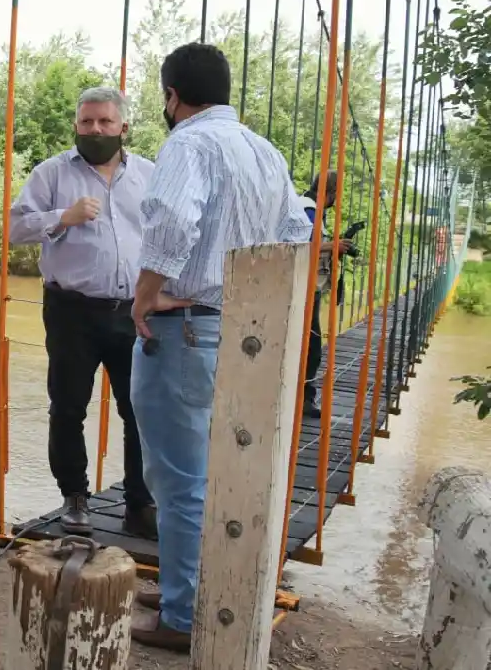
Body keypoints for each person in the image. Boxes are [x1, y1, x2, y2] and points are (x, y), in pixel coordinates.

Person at [129, 43, 312, 652]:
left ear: (172, 96)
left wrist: (145, 296)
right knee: (226, 473)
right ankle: (196, 590)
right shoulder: (264, 152)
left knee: (178, 479)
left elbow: (173, 221)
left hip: (187, 329)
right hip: (247, 335)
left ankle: (183, 615)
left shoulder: (188, 143)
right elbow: (297, 232)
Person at [9, 86, 158, 540]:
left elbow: (166, 236)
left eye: (105, 122)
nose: (95, 130)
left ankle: (140, 504)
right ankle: (74, 498)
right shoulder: (52, 173)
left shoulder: (149, 175)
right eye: (87, 122)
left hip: (134, 310)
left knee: (140, 411)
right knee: (68, 407)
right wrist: (62, 216)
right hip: (71, 311)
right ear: (75, 125)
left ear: (123, 127)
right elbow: (15, 228)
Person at [300, 171, 355, 420]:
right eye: (337, 195)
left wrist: (334, 247)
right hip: (302, 287)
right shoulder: (309, 209)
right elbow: (299, 245)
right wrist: (334, 246)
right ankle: (304, 399)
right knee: (312, 347)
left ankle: (300, 396)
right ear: (331, 193)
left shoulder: (310, 207)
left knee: (307, 344)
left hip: (306, 285)